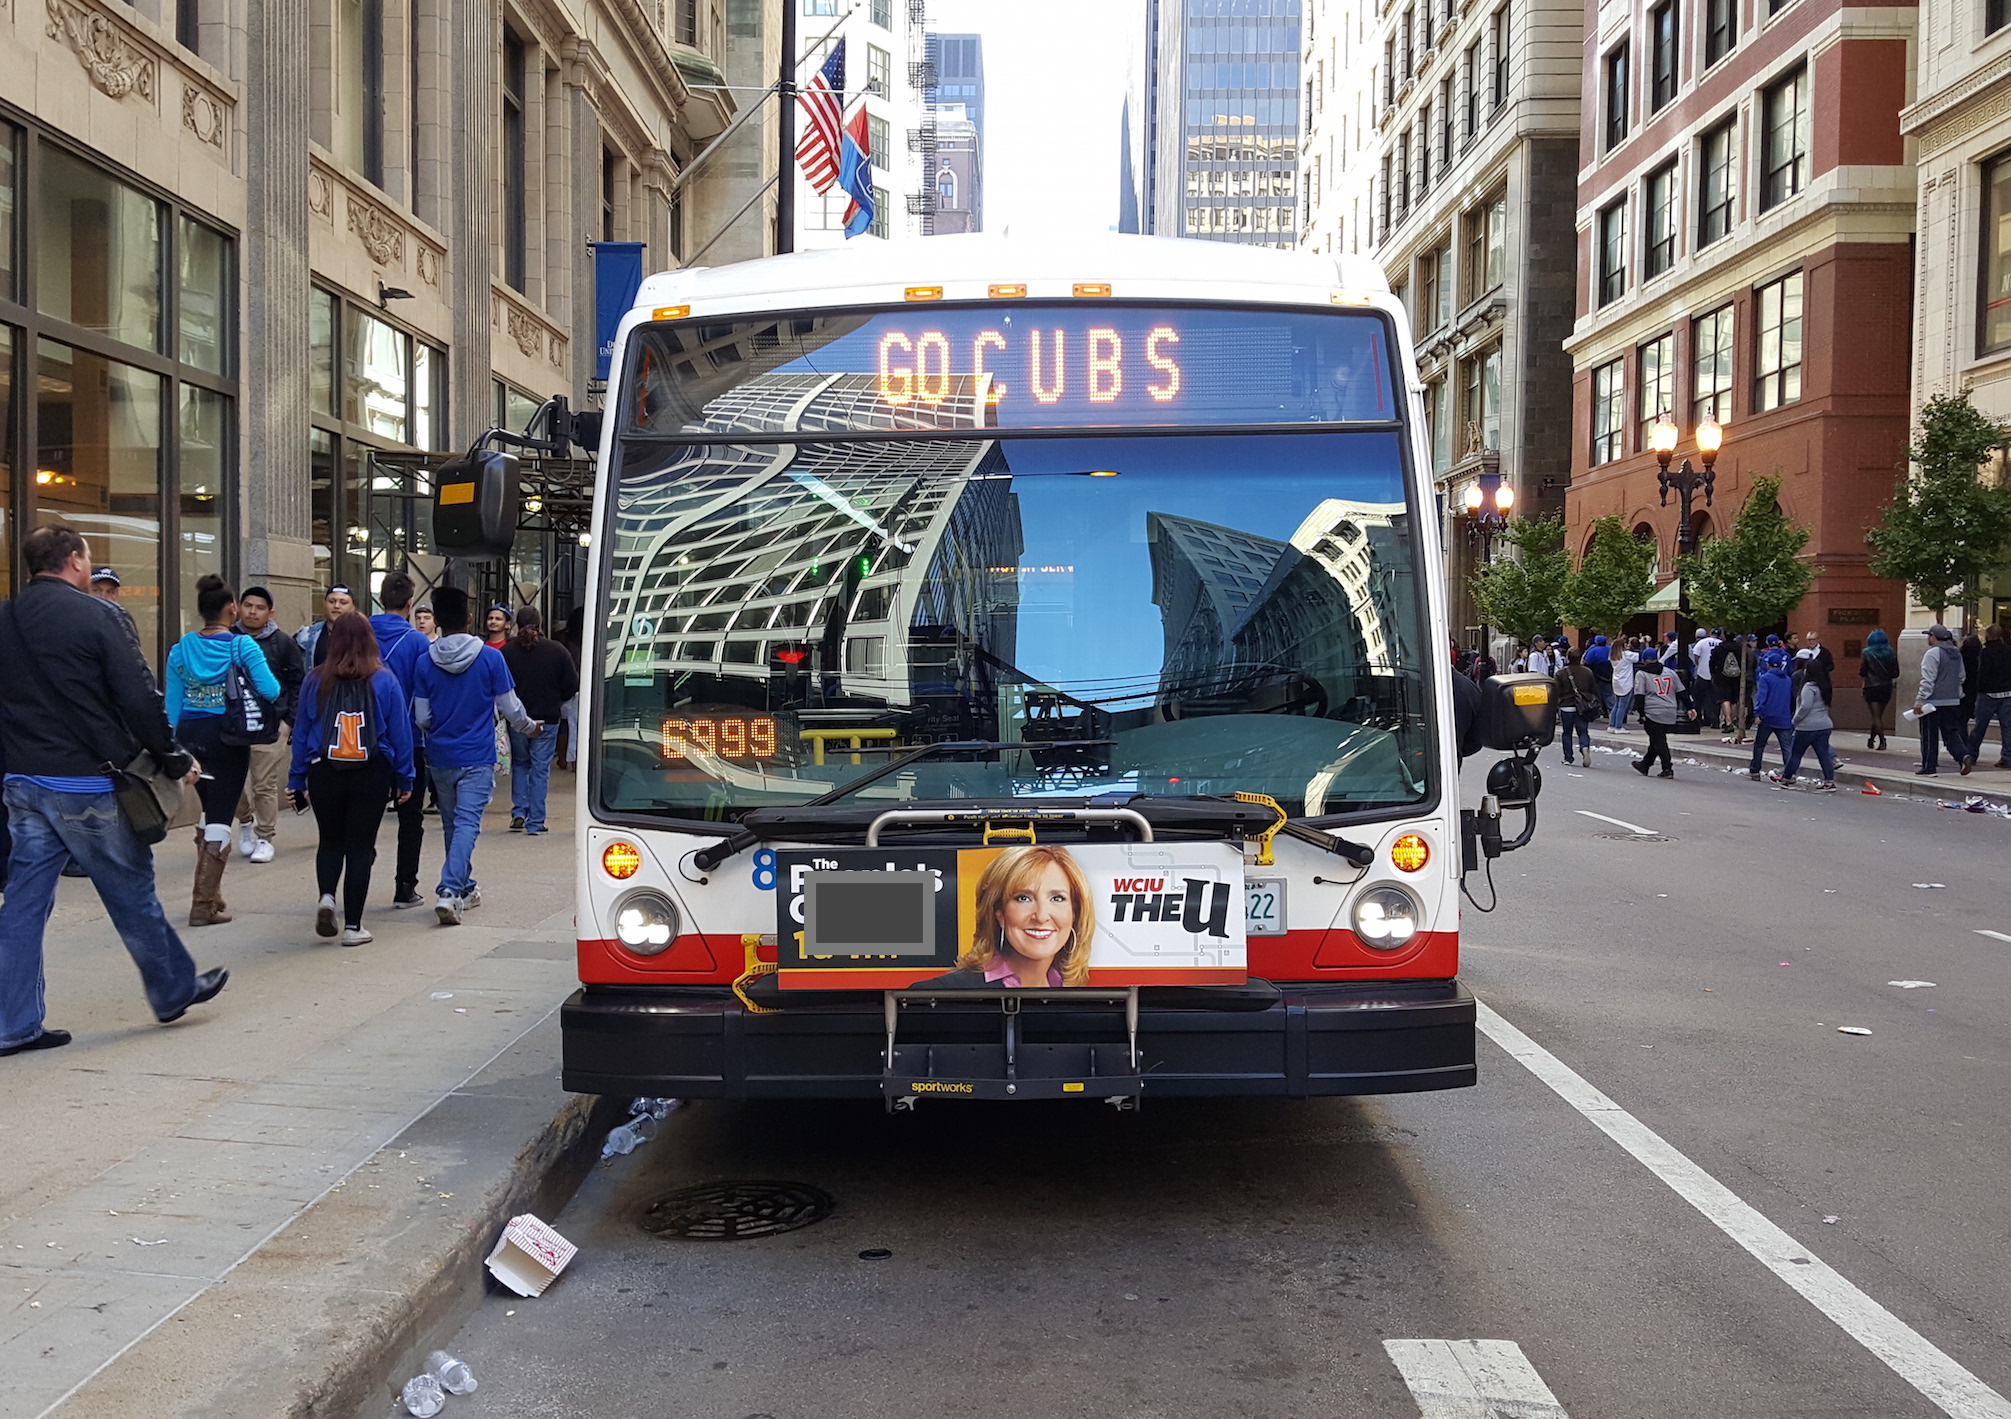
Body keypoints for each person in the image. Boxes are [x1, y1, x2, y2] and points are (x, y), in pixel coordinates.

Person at [0, 526, 229, 1054]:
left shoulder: (7, 619)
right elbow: (137, 697)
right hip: (85, 782)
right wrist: (171, 756)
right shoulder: (97, 615)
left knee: (23, 904)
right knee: (129, 889)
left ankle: (14, 1023)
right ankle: (172, 988)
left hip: (23, 782)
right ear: (76, 561)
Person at [413, 586, 542, 925]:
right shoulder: (490, 657)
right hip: (477, 753)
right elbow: (510, 707)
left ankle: (465, 886)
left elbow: (422, 718)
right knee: (468, 823)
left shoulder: (424, 661)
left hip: (440, 754)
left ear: (437, 621)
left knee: (453, 824)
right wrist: (530, 727)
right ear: (470, 619)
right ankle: (450, 890)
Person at [289, 615, 415, 945]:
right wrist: (406, 776)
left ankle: (327, 896)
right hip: (370, 770)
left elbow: (301, 732)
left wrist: (297, 777)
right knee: (360, 847)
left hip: (323, 769)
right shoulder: (384, 680)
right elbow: (400, 732)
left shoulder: (316, 680)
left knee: (329, 840)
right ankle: (353, 927)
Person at [166, 576, 284, 927]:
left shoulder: (181, 648)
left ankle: (213, 895)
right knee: (221, 815)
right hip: (228, 737)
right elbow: (271, 688)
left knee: (209, 809)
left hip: (190, 736)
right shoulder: (242, 646)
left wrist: (173, 746)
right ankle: (201, 904)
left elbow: (172, 705)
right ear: (231, 609)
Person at [922, 846, 1095, 989]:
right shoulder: (940, 994)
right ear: (999, 912)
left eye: (1057, 898)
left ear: (1075, 913)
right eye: (1023, 898)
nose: (1041, 916)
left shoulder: (1080, 997)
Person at [231, 587, 305, 865]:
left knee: (264, 784)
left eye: (259, 607)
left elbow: (298, 681)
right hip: (233, 724)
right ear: (238, 607)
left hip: (272, 723)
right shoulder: (228, 638)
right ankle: (245, 821)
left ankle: (265, 837)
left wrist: (290, 720)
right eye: (247, 605)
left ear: (269, 612)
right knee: (233, 782)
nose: (252, 611)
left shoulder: (282, 643)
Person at [373, 574, 433, 910]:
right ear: (410, 604)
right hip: (410, 740)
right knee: (411, 819)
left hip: (362, 739)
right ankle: (404, 886)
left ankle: (358, 874)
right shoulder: (418, 643)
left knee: (363, 815)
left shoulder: (359, 633)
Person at [500, 608, 579, 834]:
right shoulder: (557, 651)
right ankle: (535, 821)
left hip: (517, 719)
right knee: (540, 769)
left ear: (515, 623)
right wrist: (556, 700)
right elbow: (572, 684)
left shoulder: (507, 653)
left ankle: (518, 812)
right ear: (540, 623)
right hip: (548, 718)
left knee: (520, 764)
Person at [1913, 623, 1970, 776]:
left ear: (1933, 637)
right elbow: (1961, 677)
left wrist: (1920, 700)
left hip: (1932, 702)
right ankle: (1962, 755)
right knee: (1951, 732)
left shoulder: (1932, 654)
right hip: (1952, 701)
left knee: (1929, 735)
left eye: (1929, 635)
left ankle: (1929, 766)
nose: (1927, 638)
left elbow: (1927, 680)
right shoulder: (1956, 653)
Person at [1780, 653, 1839, 791]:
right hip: (1824, 725)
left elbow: (1805, 706)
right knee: (1823, 754)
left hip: (1807, 726)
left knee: (1796, 753)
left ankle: (1787, 777)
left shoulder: (1808, 687)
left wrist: (1795, 720)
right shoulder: (1825, 687)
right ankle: (1829, 780)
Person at [1631, 652, 1694, 778]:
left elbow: (1640, 695)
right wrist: (1690, 707)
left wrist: (1641, 713)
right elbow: (1682, 692)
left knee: (1659, 741)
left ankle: (1667, 768)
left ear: (1643, 660)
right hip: (1670, 710)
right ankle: (1645, 764)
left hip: (1652, 710)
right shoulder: (1670, 672)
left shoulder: (1642, 674)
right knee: (1656, 738)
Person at [1966, 623, 2011, 769]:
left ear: (1989, 636)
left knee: (1979, 726)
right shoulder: (2009, 651)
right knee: (2007, 727)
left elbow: (1982, 674)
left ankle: (1971, 755)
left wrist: (1979, 690)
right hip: (2007, 694)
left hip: (1988, 694)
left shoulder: (1985, 653)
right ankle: (2007, 756)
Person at [1748, 650, 1796, 780]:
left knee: (1759, 745)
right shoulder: (1787, 680)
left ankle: (1755, 770)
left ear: (1768, 664)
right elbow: (1790, 698)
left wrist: (1758, 713)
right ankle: (1789, 774)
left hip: (1768, 716)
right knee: (1786, 747)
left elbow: (1762, 697)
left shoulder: (1765, 678)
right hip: (1784, 717)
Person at [1553, 649, 1596, 766]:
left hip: (1566, 706)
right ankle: (1584, 747)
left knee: (1567, 733)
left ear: (1568, 658)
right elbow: (1594, 690)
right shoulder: (1587, 672)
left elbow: (1556, 691)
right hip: (1582, 707)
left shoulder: (1561, 673)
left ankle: (1568, 757)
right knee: (1583, 731)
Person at [295, 585, 357, 667]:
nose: (336, 606)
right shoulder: (306, 636)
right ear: (324, 604)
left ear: (353, 607)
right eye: (331, 601)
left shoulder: (363, 636)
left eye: (343, 603)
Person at [1860, 628, 1899, 750]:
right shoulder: (1891, 653)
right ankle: (1871, 740)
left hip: (1872, 686)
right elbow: (1896, 673)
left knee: (1876, 716)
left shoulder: (1866, 653)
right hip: (1886, 687)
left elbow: (1863, 671)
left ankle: (1882, 741)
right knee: (1878, 715)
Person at [1689, 628, 1721, 732]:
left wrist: (1699, 665)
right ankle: (1714, 719)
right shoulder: (1721, 643)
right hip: (1716, 675)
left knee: (1699, 698)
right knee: (1715, 699)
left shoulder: (1702, 643)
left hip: (1702, 673)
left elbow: (1696, 657)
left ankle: (1698, 719)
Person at [1712, 634, 1744, 739]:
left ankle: (1728, 722)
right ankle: (1733, 719)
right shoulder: (1739, 648)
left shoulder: (1719, 648)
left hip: (1722, 676)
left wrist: (1713, 673)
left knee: (1724, 699)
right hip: (1736, 676)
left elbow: (1712, 662)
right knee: (1733, 699)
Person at [1609, 636, 1641, 730]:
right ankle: (1618, 727)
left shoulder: (1612, 656)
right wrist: (1642, 643)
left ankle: (1612, 725)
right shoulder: (1627, 655)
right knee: (1622, 706)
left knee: (1616, 704)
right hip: (1625, 682)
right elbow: (1640, 656)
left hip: (1616, 681)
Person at [1582, 635, 1614, 718]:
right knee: (1609, 695)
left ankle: (1597, 712)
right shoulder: (1610, 649)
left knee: (1596, 695)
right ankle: (1612, 713)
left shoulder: (1593, 650)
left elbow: (1587, 663)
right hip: (1609, 676)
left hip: (1595, 676)